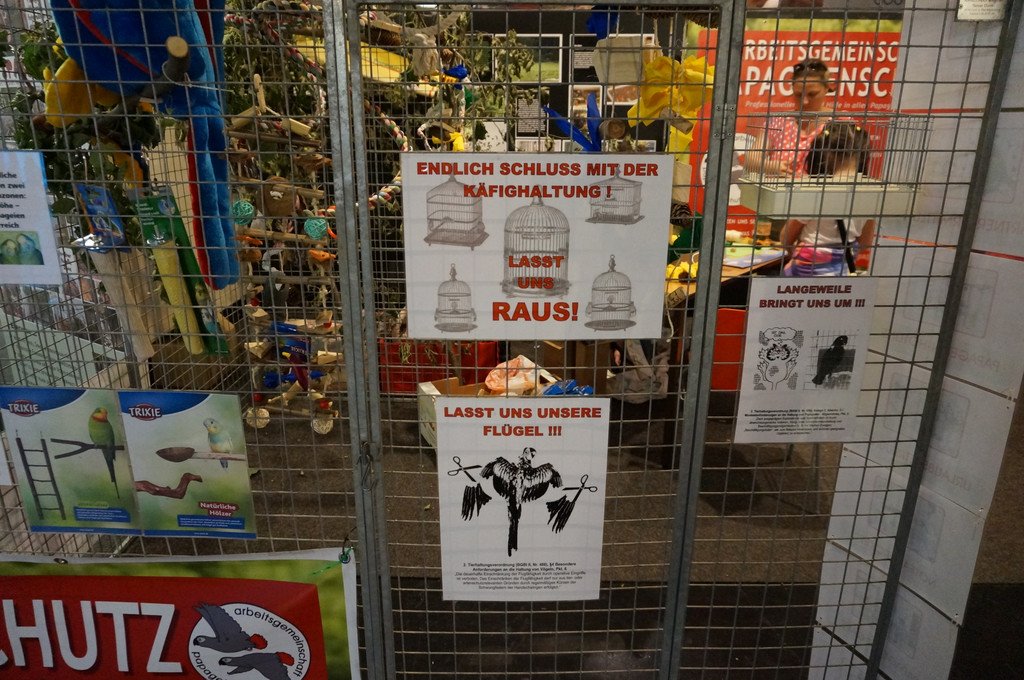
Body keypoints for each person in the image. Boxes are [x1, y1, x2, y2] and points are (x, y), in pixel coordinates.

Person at [781, 121, 876, 277]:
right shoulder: (871, 192)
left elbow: (786, 238)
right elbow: (866, 243)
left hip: (805, 270)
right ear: (864, 154)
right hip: (842, 271)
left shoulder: (816, 189)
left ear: (824, 152)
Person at [744, 58, 834, 177]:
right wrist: (770, 166)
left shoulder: (839, 123)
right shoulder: (778, 122)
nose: (805, 101)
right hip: (780, 188)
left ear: (826, 88)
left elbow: (850, 167)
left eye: (812, 94)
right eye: (798, 95)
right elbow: (750, 160)